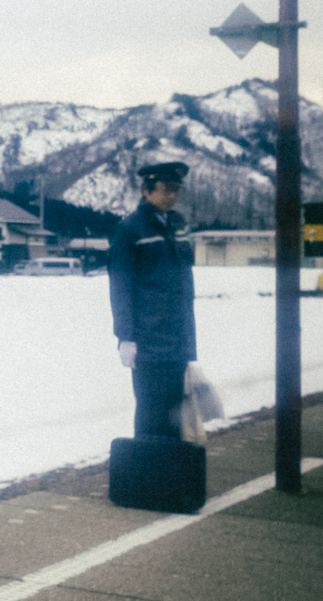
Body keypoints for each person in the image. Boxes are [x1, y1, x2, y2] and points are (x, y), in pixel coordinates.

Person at [108, 161, 196, 440]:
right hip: (148, 340)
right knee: (150, 414)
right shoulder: (130, 229)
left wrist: (189, 341)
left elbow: (184, 286)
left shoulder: (179, 225)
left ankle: (168, 477)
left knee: (175, 415)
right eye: (166, 188)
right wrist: (125, 337)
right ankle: (147, 478)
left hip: (178, 339)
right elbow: (120, 287)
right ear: (146, 190)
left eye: (176, 189)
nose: (173, 195)